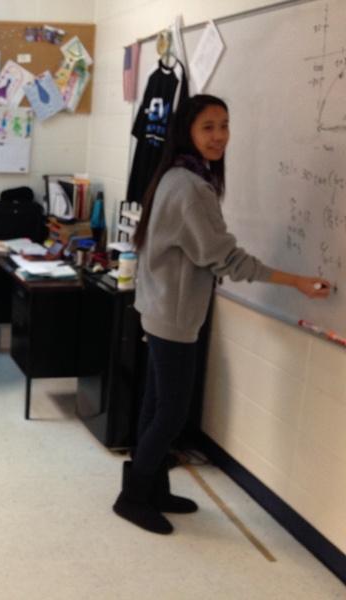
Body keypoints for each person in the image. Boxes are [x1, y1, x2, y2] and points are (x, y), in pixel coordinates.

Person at [113, 94, 331, 535]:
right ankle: (132, 497)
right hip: (172, 316)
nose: (219, 137)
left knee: (157, 405)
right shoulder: (192, 188)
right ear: (188, 133)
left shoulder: (178, 175)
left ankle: (152, 487)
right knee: (170, 413)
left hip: (159, 309)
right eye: (208, 127)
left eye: (225, 126)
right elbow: (226, 259)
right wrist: (297, 281)